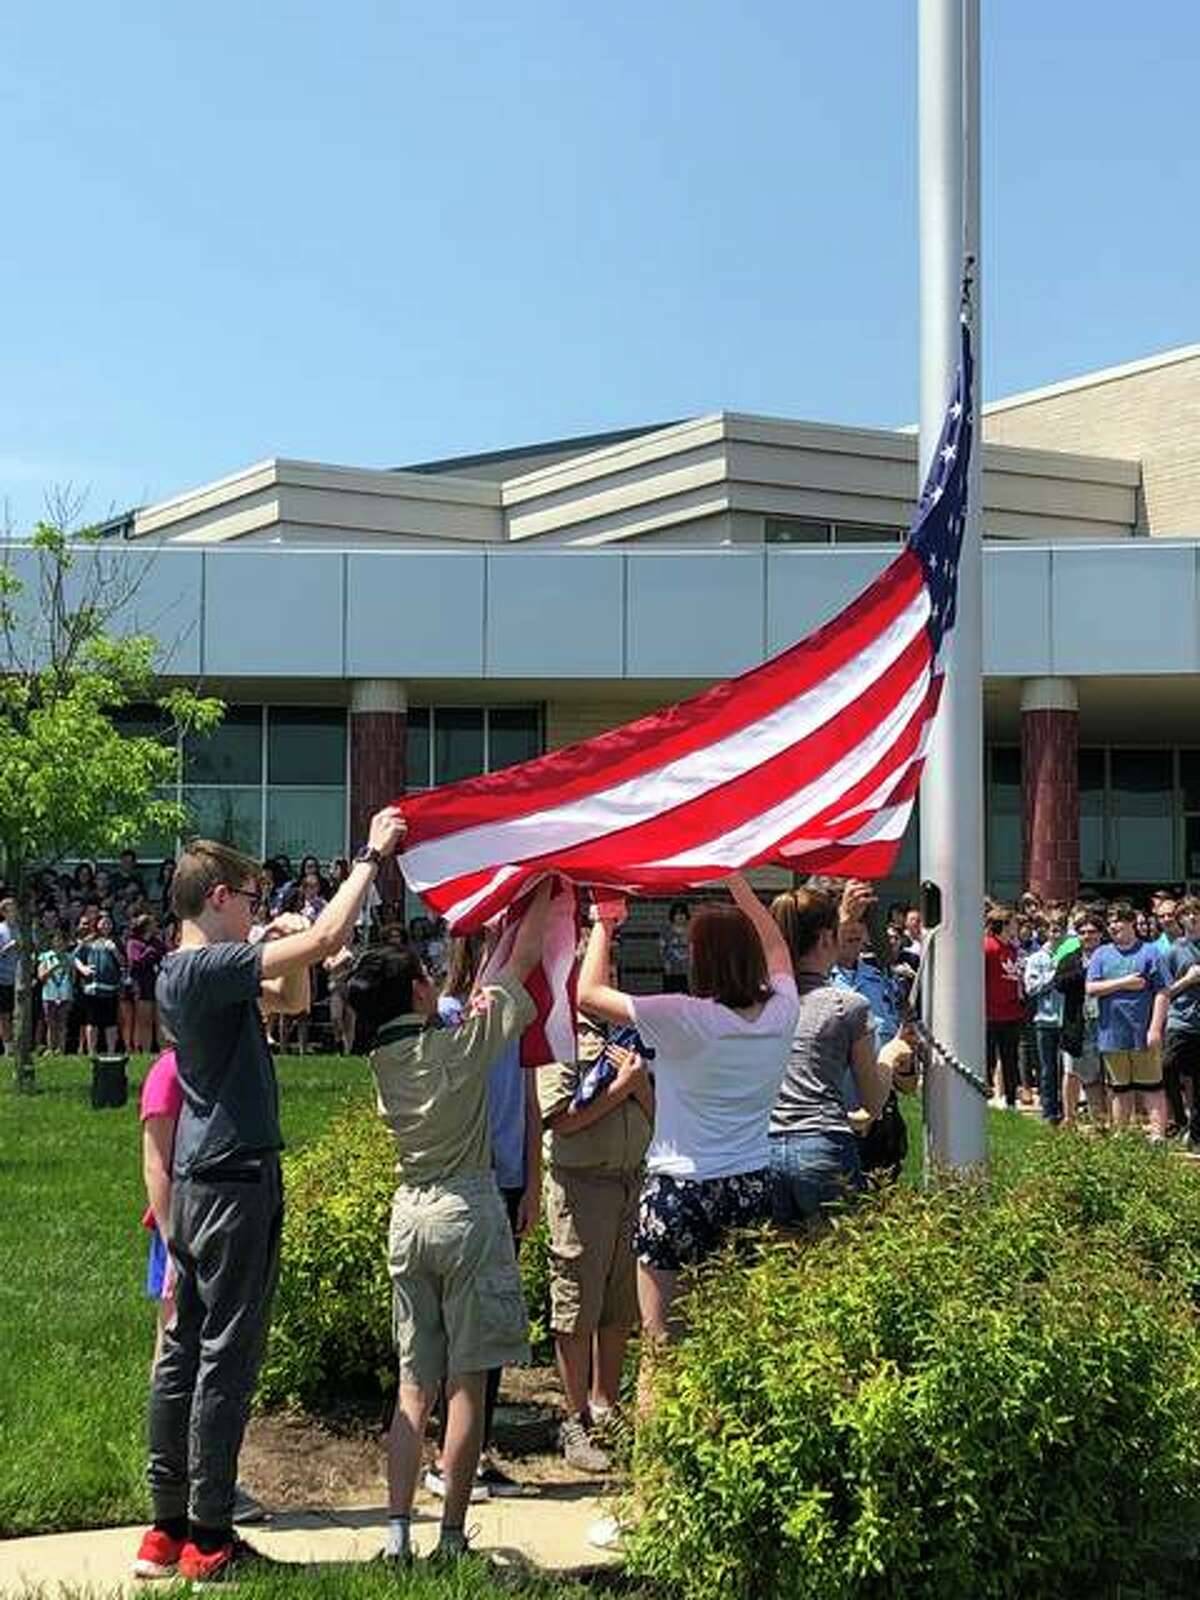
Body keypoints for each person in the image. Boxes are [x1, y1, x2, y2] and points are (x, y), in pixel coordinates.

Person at [134, 808, 404, 1585]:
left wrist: (278, 941)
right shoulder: (204, 968)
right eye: (250, 899)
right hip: (236, 1177)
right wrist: (368, 858)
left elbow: (288, 998)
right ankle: (211, 1536)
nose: (256, 909)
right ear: (218, 897)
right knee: (225, 1355)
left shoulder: (192, 974)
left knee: (183, 1351)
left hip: (200, 1178)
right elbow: (321, 948)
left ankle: (166, 1528)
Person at [342, 882, 551, 1565]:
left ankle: (396, 1532)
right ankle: (452, 1537)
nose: (434, 979)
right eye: (424, 977)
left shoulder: (384, 1061)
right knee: (467, 1381)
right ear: (416, 996)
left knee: (413, 1384)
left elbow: (488, 982)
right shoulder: (459, 1052)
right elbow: (517, 969)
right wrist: (545, 885)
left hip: (409, 1214)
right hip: (467, 1210)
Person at [576, 875, 799, 1405]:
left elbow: (587, 993)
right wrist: (740, 884)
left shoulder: (682, 1016)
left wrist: (603, 921)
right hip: (749, 1186)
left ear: (702, 963)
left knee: (661, 1347)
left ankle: (657, 1478)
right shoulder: (782, 1014)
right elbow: (780, 950)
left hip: (679, 1190)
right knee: (741, 1337)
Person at [423, 932, 544, 1502]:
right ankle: (447, 1454)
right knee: (459, 1327)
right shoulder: (451, 1016)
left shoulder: (514, 1012)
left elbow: (529, 1097)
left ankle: (477, 1449)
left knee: (491, 1322)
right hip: (471, 1176)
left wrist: (534, 1180)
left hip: (509, 1176)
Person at [537, 981, 654, 1473]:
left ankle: (606, 1405)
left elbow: (659, 1108)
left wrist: (641, 1087)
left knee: (620, 1303)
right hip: (581, 1186)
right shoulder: (560, 1032)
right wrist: (619, 1090)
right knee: (577, 1304)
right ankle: (575, 1417)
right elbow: (559, 1118)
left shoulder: (633, 1028)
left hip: (631, 1179)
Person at [768, 890, 892, 1226]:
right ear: (826, 939)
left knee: (778, 1270)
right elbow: (873, 1101)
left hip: (762, 1149)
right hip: (823, 1142)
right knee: (839, 1267)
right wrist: (890, 1060)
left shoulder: (759, 1003)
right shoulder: (847, 1005)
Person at [1086, 903, 1167, 1137]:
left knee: (1151, 1085)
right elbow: (1091, 987)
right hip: (1111, 1032)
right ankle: (1121, 1135)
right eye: (1110, 922)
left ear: (1132, 922)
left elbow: (1162, 992)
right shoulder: (1102, 953)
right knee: (1120, 1087)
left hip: (1142, 1031)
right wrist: (1125, 983)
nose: (1113, 926)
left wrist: (1155, 1028)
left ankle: (1157, 1136)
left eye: (1118, 920)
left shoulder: (1150, 952)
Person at [1150, 896, 1200, 1148]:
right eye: (1187, 914)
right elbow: (1165, 991)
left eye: (1196, 913)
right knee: (1168, 1066)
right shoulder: (1174, 951)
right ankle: (1180, 1118)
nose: (1192, 918)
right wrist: (1189, 980)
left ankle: (1195, 1131)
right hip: (1180, 1021)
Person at [1022, 913, 1067, 1124]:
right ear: (1045, 932)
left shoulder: (1071, 956)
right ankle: (1049, 1112)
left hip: (1067, 1020)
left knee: (1068, 1070)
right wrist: (1055, 974)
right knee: (1048, 1069)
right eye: (1052, 928)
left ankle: (1068, 1109)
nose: (1056, 932)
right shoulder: (1035, 959)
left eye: (1060, 928)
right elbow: (1031, 988)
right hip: (1045, 1020)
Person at [984, 906, 1025, 1110]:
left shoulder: (1013, 949)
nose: (1016, 927)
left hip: (1011, 1013)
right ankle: (982, 1098)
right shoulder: (987, 948)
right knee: (988, 1058)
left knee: (1010, 1059)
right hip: (990, 1014)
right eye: (1013, 923)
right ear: (1004, 925)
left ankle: (1010, 1101)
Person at [74, 912, 123, 1056]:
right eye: (103, 922)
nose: (106, 926)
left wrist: (114, 950)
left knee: (111, 1022)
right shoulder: (89, 941)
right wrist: (83, 969)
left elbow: (123, 962)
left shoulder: (116, 941)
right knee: (92, 1021)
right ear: (96, 924)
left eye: (109, 923)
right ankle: (92, 1052)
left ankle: (111, 1052)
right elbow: (75, 957)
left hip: (110, 988)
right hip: (92, 988)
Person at [126, 915, 165, 1054]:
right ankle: (146, 1051)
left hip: (158, 983)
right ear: (146, 926)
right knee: (145, 1021)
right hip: (142, 984)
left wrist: (151, 955)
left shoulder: (158, 942)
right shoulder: (133, 942)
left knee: (160, 1020)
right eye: (153, 923)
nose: (156, 925)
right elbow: (136, 961)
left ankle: (162, 1050)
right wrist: (151, 952)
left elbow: (164, 957)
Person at [37, 928, 74, 1056]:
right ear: (52, 942)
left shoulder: (70, 957)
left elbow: (73, 977)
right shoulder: (45, 957)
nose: (59, 943)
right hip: (49, 994)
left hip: (65, 994)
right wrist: (53, 967)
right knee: (51, 1023)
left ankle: (61, 1049)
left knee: (63, 1023)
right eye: (56, 940)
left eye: (62, 941)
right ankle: (51, 1048)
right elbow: (41, 976)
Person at [659, 902, 691, 993]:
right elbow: (661, 950)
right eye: (677, 914)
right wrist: (665, 963)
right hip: (671, 971)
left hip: (687, 972)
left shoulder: (691, 932)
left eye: (682, 913)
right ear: (673, 916)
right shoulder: (666, 932)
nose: (680, 916)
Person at [0, 898, 17, 1058]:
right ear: (3, 912)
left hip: (20, 979)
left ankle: (21, 1044)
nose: (14, 913)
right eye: (10, 910)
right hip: (3, 979)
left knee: (18, 1014)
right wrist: (7, 947)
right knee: (4, 1015)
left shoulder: (24, 929)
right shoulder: (0, 930)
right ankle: (8, 1048)